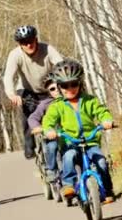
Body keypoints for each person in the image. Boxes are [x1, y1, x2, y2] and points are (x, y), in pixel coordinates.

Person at [42, 59, 116, 204]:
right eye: (64, 85)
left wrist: (107, 120)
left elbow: (102, 112)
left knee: (101, 162)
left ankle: (107, 190)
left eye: (73, 84)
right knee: (69, 157)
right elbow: (48, 120)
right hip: (70, 142)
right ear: (58, 86)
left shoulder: (90, 101)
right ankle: (69, 185)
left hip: (90, 141)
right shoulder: (57, 106)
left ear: (80, 83)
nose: (70, 88)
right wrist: (49, 130)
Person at [3, 25, 63, 159]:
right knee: (26, 112)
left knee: (60, 110)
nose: (29, 44)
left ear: (36, 39)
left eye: (31, 40)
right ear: (20, 44)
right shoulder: (15, 55)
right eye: (24, 43)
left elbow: (61, 65)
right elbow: (8, 76)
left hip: (48, 89)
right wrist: (11, 94)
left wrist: (64, 84)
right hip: (26, 89)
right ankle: (29, 145)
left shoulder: (47, 49)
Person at [27, 72, 61, 182]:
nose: (57, 90)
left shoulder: (71, 100)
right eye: (52, 89)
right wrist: (38, 127)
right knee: (52, 147)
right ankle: (51, 169)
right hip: (52, 135)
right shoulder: (45, 104)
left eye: (59, 86)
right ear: (48, 91)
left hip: (70, 134)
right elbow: (32, 118)